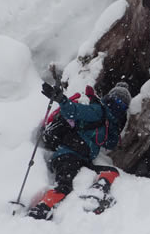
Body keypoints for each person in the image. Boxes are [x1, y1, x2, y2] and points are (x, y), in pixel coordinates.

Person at [27, 82, 131, 220]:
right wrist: (61, 100)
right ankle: (41, 209)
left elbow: (111, 143)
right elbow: (74, 110)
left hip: (81, 159)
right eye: (116, 101)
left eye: (123, 105)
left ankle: (96, 193)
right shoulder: (97, 111)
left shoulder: (108, 123)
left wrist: (115, 126)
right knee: (64, 185)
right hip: (67, 155)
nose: (118, 106)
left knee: (111, 172)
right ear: (109, 99)